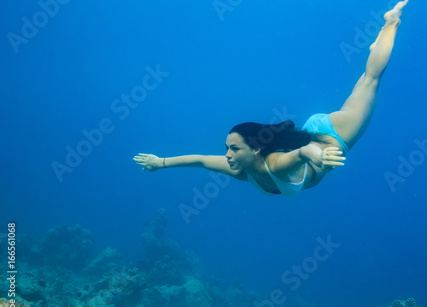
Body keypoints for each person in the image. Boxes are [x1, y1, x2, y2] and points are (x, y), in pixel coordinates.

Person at [134, 1, 408, 197]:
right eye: (228, 148)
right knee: (365, 83)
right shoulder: (239, 167)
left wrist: (320, 157)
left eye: (234, 148)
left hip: (331, 137)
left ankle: (391, 22)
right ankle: (378, 45)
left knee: (371, 79)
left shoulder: (273, 164)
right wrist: (161, 163)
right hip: (309, 132)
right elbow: (202, 159)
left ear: (255, 149)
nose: (227, 155)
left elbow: (303, 153)